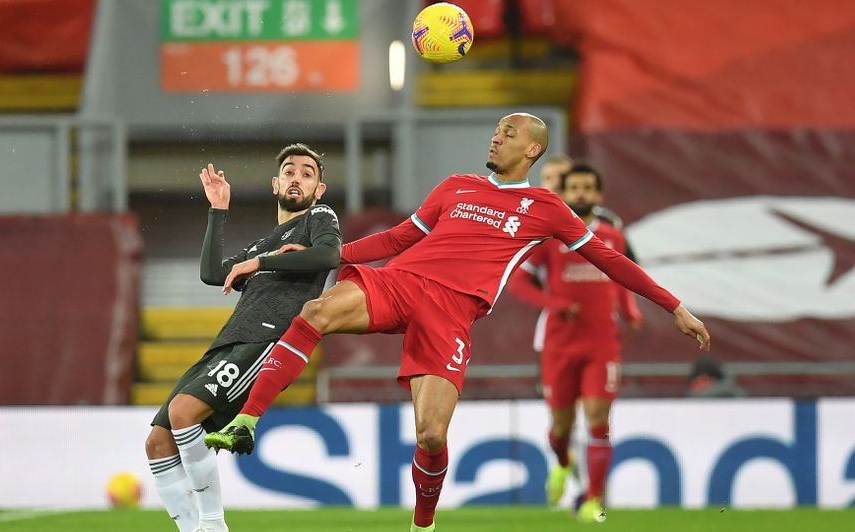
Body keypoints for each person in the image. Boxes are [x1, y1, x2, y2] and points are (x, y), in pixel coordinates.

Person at [206, 113, 710, 532]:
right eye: (496, 130)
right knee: (315, 311)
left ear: (532, 150)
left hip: (452, 311)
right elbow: (397, 239)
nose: (497, 136)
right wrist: (329, 255)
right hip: (401, 281)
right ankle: (248, 420)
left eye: (509, 132)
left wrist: (674, 306)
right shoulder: (456, 187)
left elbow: (609, 260)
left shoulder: (547, 209)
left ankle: (422, 525)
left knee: (429, 434)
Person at [144, 144, 341, 532]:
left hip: (265, 340)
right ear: (275, 184)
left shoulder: (319, 216)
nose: (296, 178)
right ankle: (192, 529)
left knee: (184, 414)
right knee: (157, 442)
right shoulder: (262, 244)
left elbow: (329, 255)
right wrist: (218, 210)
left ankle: (214, 526)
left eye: (306, 173)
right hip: (228, 341)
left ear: (319, 188)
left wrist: (261, 264)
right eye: (289, 172)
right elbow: (213, 273)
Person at [507, 163, 642, 523]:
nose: (580, 193)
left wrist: (630, 311)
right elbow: (518, 283)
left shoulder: (613, 237)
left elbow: (622, 279)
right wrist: (555, 304)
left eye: (587, 187)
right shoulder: (550, 239)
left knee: (599, 420)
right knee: (561, 428)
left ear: (598, 196)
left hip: (602, 344)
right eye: (574, 187)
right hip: (559, 344)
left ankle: (594, 500)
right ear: (564, 194)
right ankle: (564, 463)